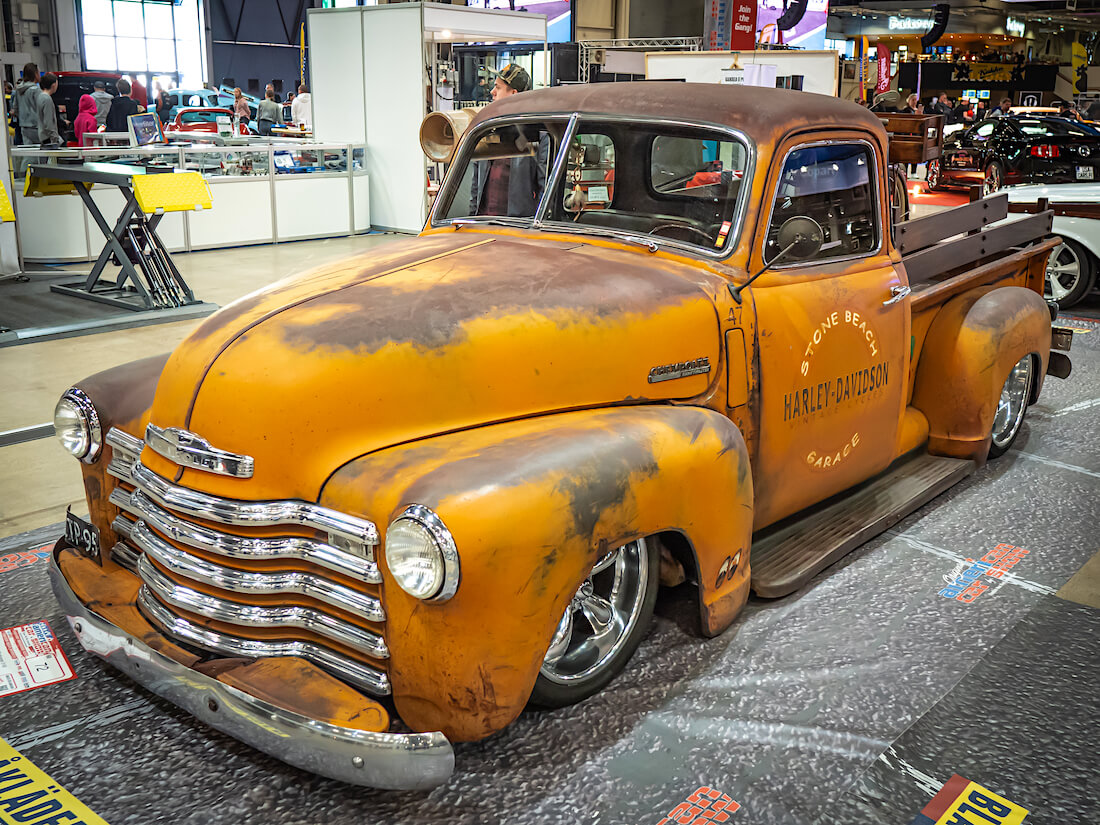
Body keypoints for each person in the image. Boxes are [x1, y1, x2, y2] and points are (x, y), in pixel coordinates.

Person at [468, 63, 548, 218]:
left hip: (516, 229)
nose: (492, 92)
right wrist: (471, 218)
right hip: (482, 224)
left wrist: (535, 226)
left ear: (514, 94)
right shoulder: (485, 130)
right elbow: (475, 183)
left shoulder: (537, 135)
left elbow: (545, 188)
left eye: (497, 88)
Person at [13, 63, 40, 145]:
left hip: (24, 126)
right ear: (35, 74)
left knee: (30, 154)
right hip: (37, 126)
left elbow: (15, 108)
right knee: (42, 154)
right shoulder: (36, 90)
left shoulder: (18, 90)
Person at [35, 72, 61, 147]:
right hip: (49, 138)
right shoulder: (47, 99)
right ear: (53, 85)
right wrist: (55, 137)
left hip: (42, 135)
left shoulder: (40, 96)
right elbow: (48, 121)